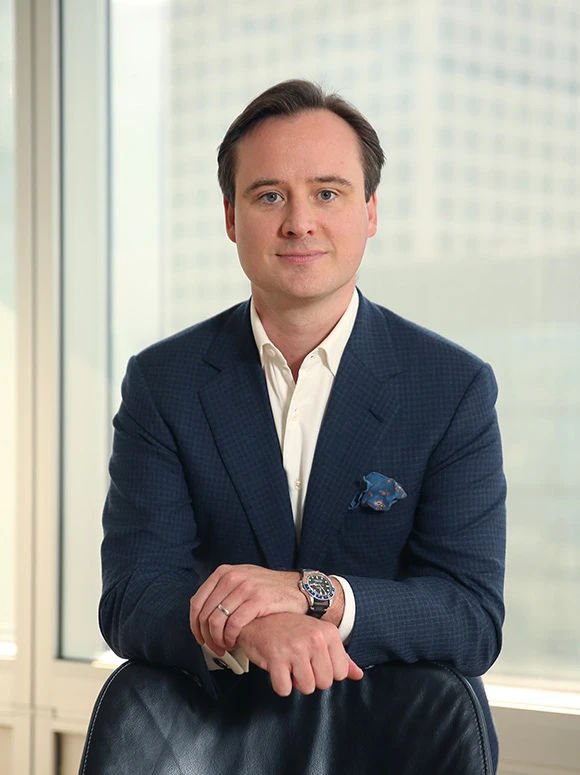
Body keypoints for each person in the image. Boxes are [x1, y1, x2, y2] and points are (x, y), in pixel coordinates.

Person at [99, 79, 506, 771]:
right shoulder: (163, 382)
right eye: (268, 196)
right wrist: (257, 625)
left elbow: (469, 615)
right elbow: (135, 593)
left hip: (399, 742)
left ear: (370, 211)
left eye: (327, 192)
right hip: (205, 737)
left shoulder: (452, 386)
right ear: (230, 217)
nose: (299, 221)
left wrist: (312, 594)